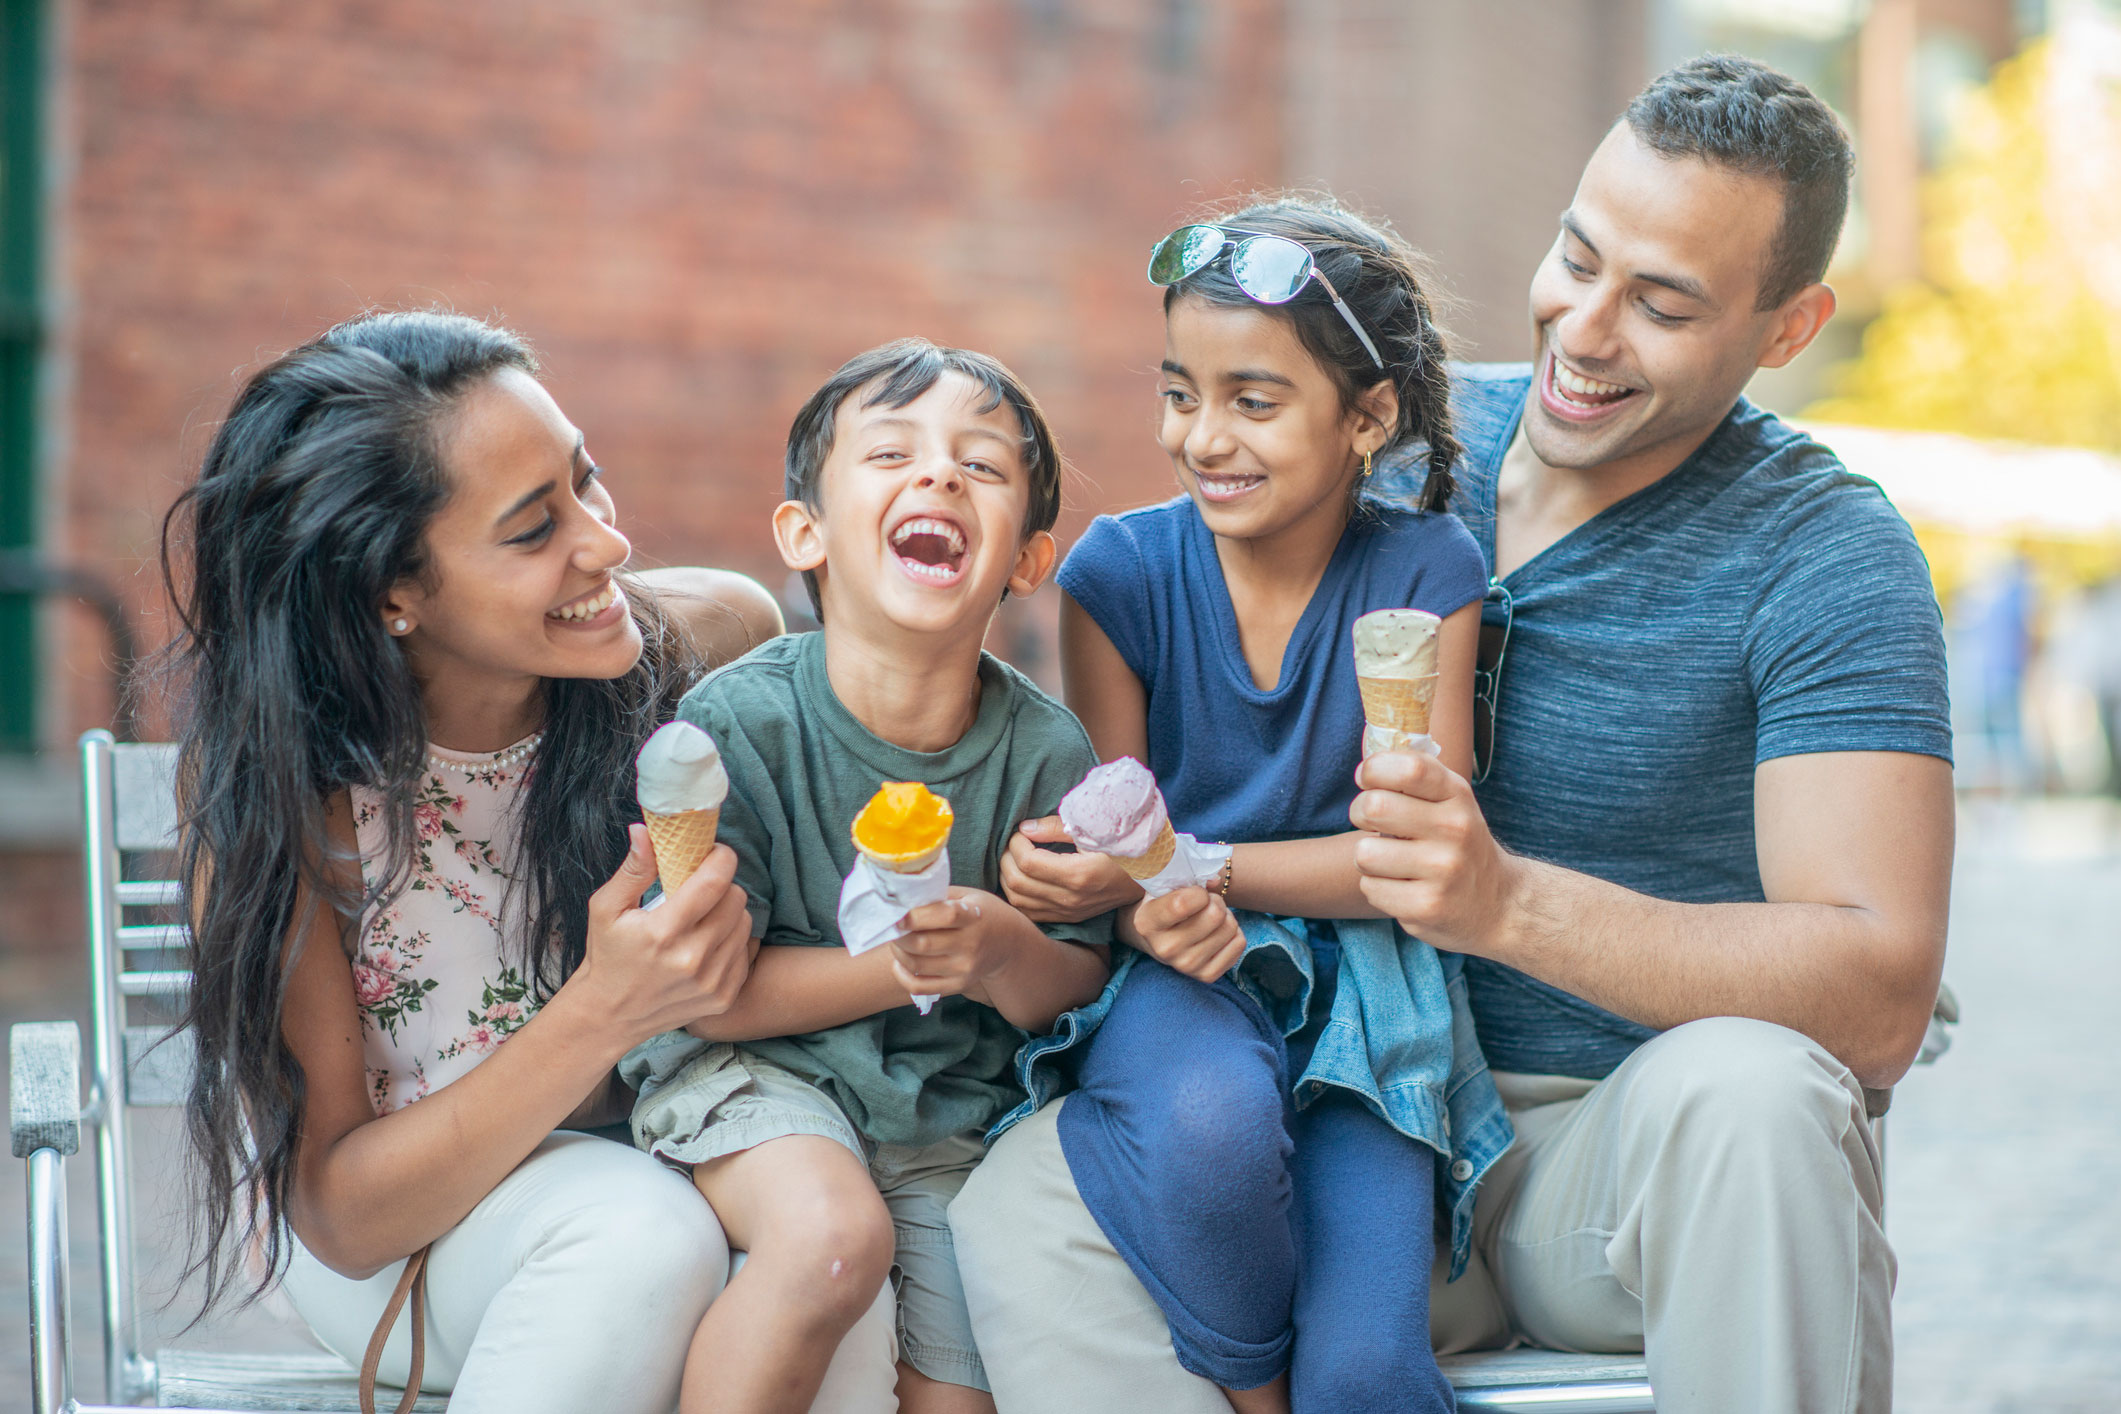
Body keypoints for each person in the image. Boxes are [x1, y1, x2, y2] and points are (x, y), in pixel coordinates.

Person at [949, 54, 1955, 1414]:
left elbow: (1878, 991)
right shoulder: (1385, 435)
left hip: (1609, 1156)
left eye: (1660, 304)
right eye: (1577, 256)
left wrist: (1504, 903)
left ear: (1787, 327)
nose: (1585, 330)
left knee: (1758, 1096)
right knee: (1028, 1200)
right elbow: (1168, 616)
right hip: (1325, 1109)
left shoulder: (1826, 553)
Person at [161, 309, 879, 1413]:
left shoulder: (711, 644)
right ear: (388, 593)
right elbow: (343, 1213)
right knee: (637, 1234)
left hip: (670, 1151)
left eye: (588, 483)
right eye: (534, 528)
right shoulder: (292, 803)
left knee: (841, 1261)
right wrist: (607, 1006)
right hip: (413, 1239)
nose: (605, 544)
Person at [979, 196, 1505, 1414]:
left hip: (1370, 1003)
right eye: (1180, 392)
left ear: (1366, 418)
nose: (1202, 437)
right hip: (1187, 976)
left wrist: (1183, 868)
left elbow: (1407, 856)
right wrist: (1123, 894)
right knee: (1210, 1130)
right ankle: (1256, 1395)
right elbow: (1121, 825)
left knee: (1371, 1372)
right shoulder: (1118, 575)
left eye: (1253, 402)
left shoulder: (1425, 571)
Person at [620, 338, 1114, 1414]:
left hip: (944, 1115)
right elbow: (708, 994)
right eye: (892, 453)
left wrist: (1000, 949)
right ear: (806, 531)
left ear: (1027, 559)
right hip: (751, 1076)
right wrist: (903, 964)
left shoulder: (1045, 757)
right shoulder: (733, 729)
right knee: (836, 1239)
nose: (939, 474)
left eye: (980, 466)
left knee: (965, 1380)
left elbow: (1072, 993)